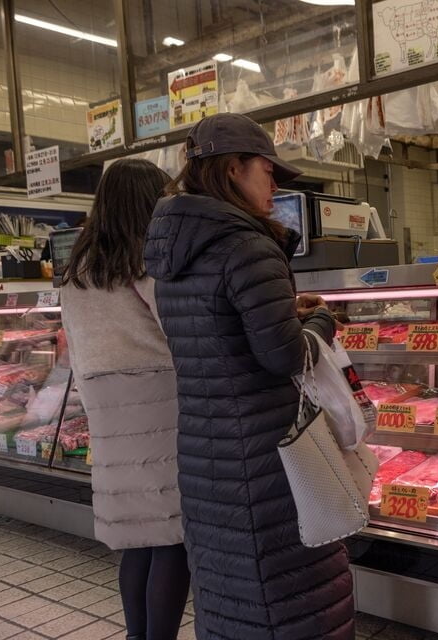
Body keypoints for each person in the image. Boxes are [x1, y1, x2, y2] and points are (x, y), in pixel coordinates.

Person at [144, 113, 352, 640]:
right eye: (267, 170)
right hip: (265, 455)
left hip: (204, 453)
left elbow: (222, 338)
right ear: (234, 168)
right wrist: (322, 320)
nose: (275, 184)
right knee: (286, 597)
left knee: (230, 593)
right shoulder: (245, 243)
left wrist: (285, 314)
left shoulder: (172, 253)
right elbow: (283, 358)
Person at [60, 159, 189, 640]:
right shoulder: (149, 262)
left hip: (107, 410)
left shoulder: (78, 269)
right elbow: (179, 331)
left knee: (140, 539)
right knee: (174, 538)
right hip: (160, 404)